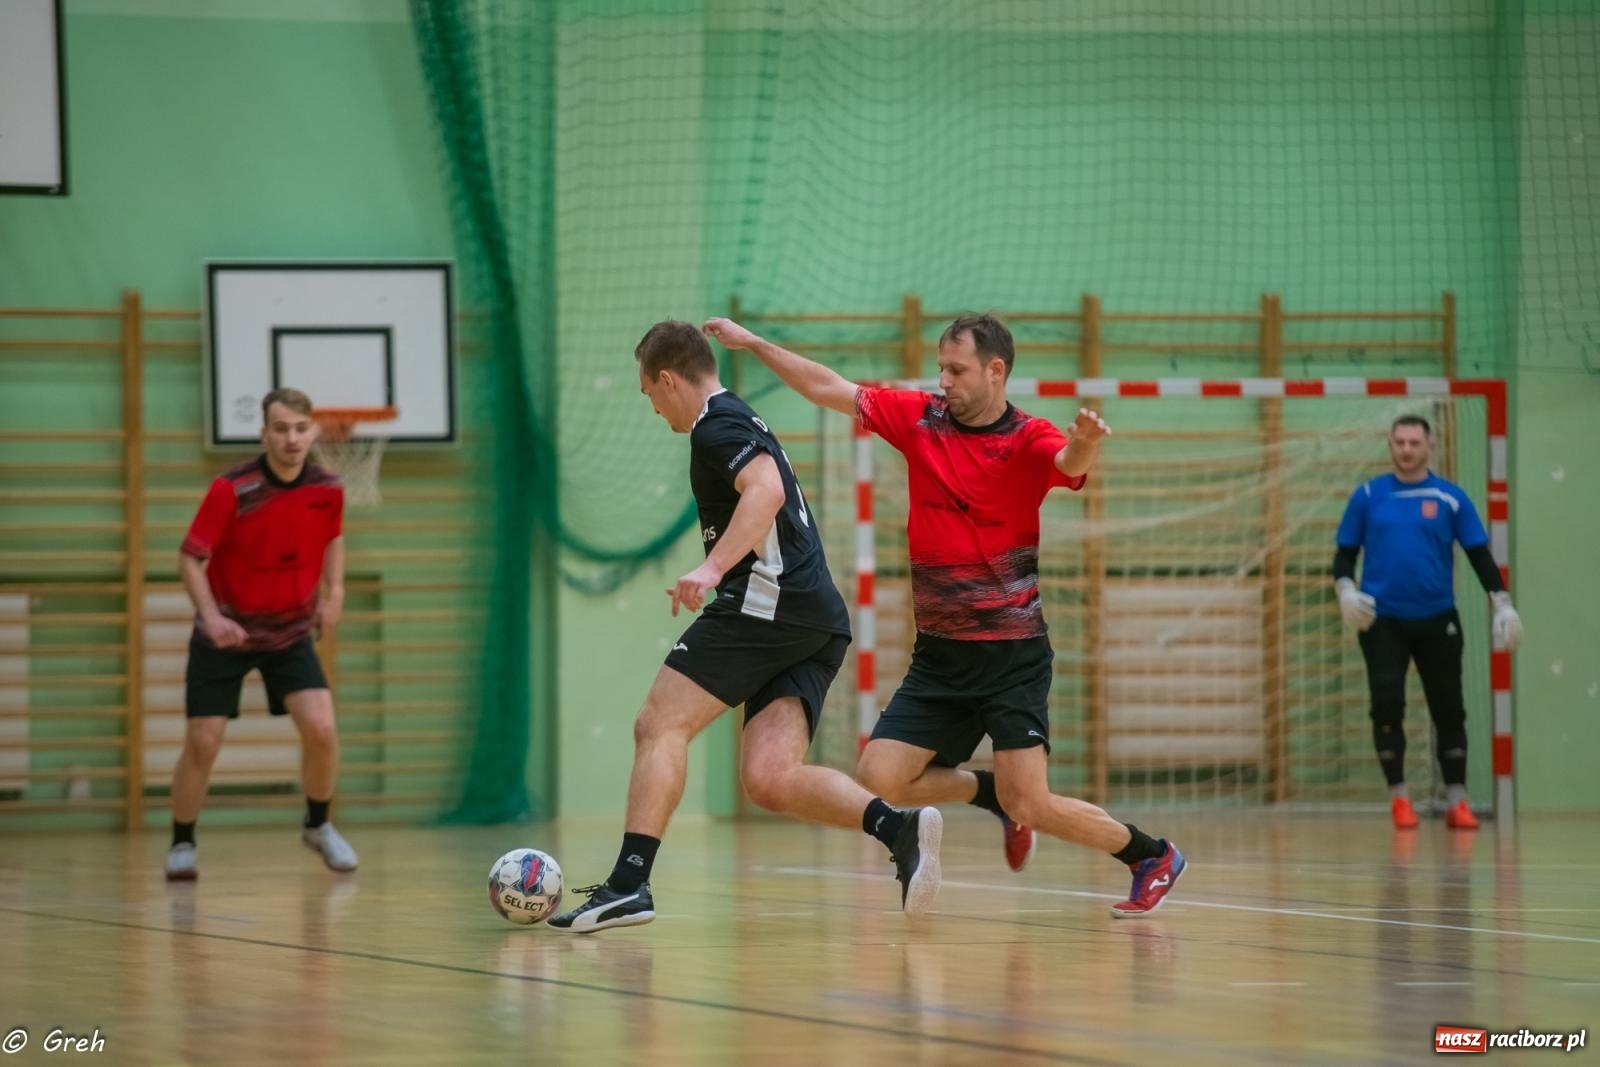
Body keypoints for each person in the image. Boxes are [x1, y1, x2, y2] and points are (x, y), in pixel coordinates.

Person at [703, 313, 1186, 918]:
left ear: (995, 370)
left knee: (1031, 802)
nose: (944, 380)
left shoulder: (1027, 438)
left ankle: (1151, 855)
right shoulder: (921, 420)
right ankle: (987, 793)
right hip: (939, 656)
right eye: (941, 367)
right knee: (880, 774)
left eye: (956, 370)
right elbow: (830, 387)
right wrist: (752, 343)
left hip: (1012, 656)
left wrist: (1086, 439)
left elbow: (1067, 462)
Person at [549, 321, 942, 933]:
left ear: (668, 380)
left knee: (658, 724)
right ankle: (899, 827)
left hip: (771, 601)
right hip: (815, 615)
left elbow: (766, 490)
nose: (652, 407)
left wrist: (710, 567)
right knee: (769, 778)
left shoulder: (714, 424)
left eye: (648, 393)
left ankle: (629, 885)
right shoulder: (740, 416)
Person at [166, 388, 356, 880]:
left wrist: (333, 593)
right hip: (226, 632)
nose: (291, 438)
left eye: (300, 428)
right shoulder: (232, 488)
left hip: (290, 631)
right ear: (264, 433)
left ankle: (318, 825)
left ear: (313, 430)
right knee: (203, 742)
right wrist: (209, 616)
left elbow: (333, 538)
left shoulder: (327, 487)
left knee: (322, 729)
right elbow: (191, 557)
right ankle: (182, 840)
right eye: (280, 428)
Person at [1334, 414, 1523, 830]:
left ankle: (1458, 802)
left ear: (1429, 447)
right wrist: (1345, 590)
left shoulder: (1451, 498)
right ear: (1389, 444)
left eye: (1414, 442)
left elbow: (1478, 556)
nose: (1406, 449)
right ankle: (1399, 799)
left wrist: (1503, 604)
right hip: (1382, 621)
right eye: (1399, 441)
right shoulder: (1367, 496)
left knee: (1449, 708)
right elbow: (1344, 554)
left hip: (1438, 618)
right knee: (1386, 705)